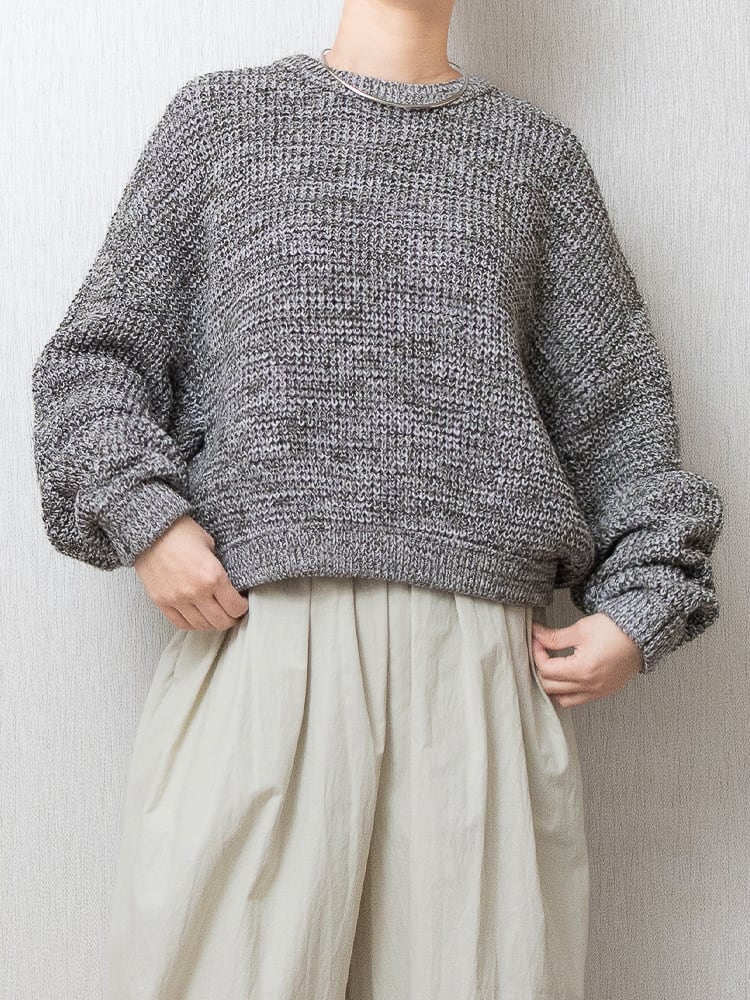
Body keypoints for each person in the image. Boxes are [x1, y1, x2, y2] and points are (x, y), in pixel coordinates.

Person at [30, 1, 725, 997]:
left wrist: (642, 603)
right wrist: (147, 517)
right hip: (260, 644)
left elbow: (621, 416)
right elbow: (95, 361)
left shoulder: (537, 161)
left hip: (478, 669)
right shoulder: (224, 124)